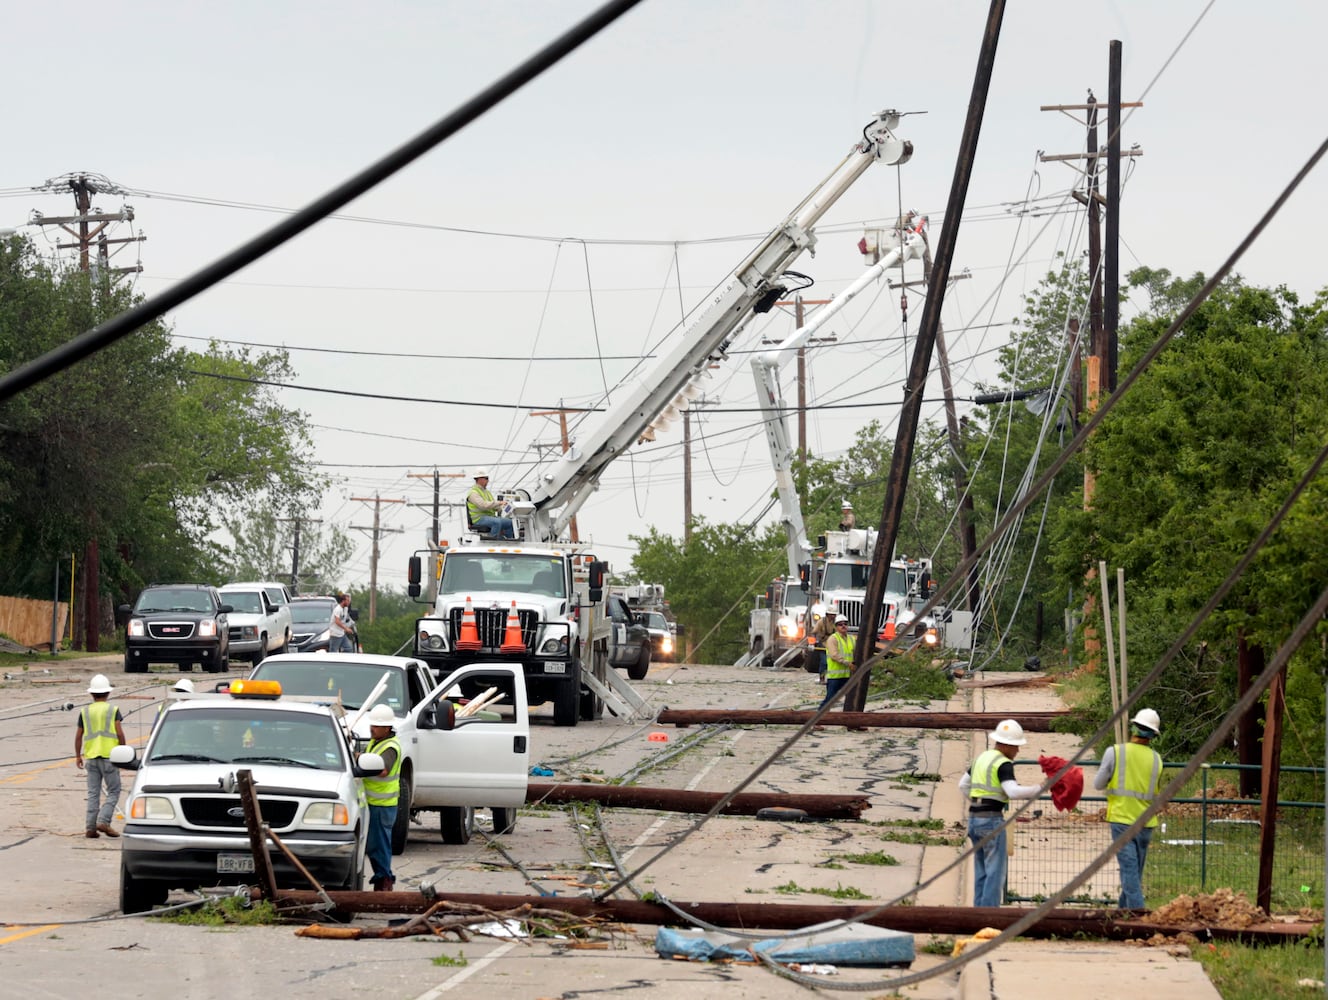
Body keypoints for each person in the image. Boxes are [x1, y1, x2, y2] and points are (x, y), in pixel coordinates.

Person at [958, 719, 1042, 906]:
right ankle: (989, 916)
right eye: (1016, 746)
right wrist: (1039, 788)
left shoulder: (982, 758)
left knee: (981, 871)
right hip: (991, 821)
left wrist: (978, 802)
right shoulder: (1004, 764)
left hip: (974, 819)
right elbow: (1012, 792)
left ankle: (977, 915)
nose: (1017, 751)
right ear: (1006, 745)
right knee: (995, 873)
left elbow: (963, 785)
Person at [1093, 708, 1164, 910]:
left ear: (1133, 727)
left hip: (1122, 820)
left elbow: (1098, 784)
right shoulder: (1157, 760)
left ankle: (1139, 915)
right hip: (1146, 824)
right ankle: (1123, 914)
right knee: (1133, 873)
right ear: (1153, 735)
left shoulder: (1114, 752)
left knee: (1129, 872)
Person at [74, 674, 126, 838]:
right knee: (114, 791)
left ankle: (90, 828)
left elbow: (78, 736)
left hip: (91, 758)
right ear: (108, 693)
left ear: (92, 694)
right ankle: (103, 820)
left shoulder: (85, 711)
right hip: (110, 757)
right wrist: (123, 752)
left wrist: (77, 756)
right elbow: (119, 733)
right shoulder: (113, 710)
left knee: (93, 793)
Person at [361, 704, 401, 892]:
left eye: (377, 725)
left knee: (380, 846)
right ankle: (382, 880)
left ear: (387, 728)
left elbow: (383, 770)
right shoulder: (376, 742)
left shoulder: (390, 747)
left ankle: (384, 883)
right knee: (374, 846)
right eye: (372, 724)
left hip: (382, 804)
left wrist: (361, 760)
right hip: (374, 803)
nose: (372, 728)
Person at [467, 468, 515, 540]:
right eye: (486, 478)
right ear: (479, 479)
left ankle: (508, 542)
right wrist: (499, 502)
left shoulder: (487, 492)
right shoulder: (473, 493)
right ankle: (493, 542)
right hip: (479, 519)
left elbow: (494, 506)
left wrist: (504, 508)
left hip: (490, 517)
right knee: (497, 522)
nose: (488, 481)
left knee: (511, 522)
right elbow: (484, 505)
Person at [820, 615, 855, 708]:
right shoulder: (833, 639)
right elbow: (834, 655)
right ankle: (819, 717)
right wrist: (848, 663)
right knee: (830, 700)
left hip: (847, 675)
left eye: (845, 624)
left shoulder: (851, 638)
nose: (843, 626)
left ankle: (849, 718)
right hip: (835, 677)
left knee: (851, 699)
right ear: (836, 627)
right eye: (840, 624)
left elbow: (855, 653)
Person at [810, 610, 835, 685]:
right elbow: (814, 632)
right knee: (824, 662)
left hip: (833, 645)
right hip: (823, 645)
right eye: (832, 614)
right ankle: (822, 678)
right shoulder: (821, 622)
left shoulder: (836, 623)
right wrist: (811, 643)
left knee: (833, 663)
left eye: (834, 614)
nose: (833, 616)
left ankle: (832, 679)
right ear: (827, 614)